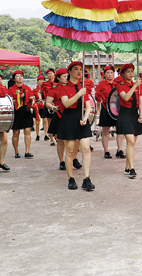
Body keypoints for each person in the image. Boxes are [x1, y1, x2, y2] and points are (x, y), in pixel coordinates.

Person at [58, 61, 94, 191]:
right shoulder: (63, 88)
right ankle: (71, 178)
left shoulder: (82, 87)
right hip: (69, 119)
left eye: (80, 69)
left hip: (81, 118)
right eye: (76, 69)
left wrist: (86, 117)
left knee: (86, 148)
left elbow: (88, 106)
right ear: (69, 71)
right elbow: (66, 104)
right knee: (70, 151)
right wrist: (79, 94)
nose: (79, 71)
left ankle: (87, 178)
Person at [46, 68, 80, 171]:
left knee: (76, 138)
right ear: (58, 78)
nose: (66, 78)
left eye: (67, 76)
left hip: (73, 114)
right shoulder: (54, 89)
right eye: (64, 76)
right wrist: (53, 107)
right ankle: (62, 161)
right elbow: (48, 103)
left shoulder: (73, 87)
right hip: (60, 114)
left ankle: (74, 158)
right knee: (60, 140)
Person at [116, 63, 142, 179]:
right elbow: (126, 97)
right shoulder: (120, 86)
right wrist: (135, 86)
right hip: (125, 114)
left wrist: (141, 115)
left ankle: (127, 167)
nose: (131, 73)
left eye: (132, 71)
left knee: (132, 143)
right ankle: (132, 168)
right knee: (130, 141)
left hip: (134, 114)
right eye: (128, 71)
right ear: (122, 74)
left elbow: (141, 101)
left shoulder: (137, 85)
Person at [95, 65, 124, 159]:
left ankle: (119, 150)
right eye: (108, 73)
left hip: (117, 109)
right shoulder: (101, 85)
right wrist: (99, 98)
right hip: (106, 108)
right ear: (104, 74)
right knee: (105, 131)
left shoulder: (117, 84)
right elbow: (97, 96)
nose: (110, 74)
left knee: (119, 130)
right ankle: (106, 151)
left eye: (111, 73)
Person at [8, 70, 34, 158]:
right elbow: (10, 101)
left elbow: (31, 98)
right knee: (16, 133)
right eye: (17, 76)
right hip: (16, 111)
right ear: (14, 79)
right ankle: (16, 151)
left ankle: (27, 151)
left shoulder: (27, 88)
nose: (20, 78)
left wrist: (30, 100)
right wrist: (19, 98)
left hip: (26, 110)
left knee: (27, 131)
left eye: (21, 76)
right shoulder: (11, 89)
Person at [41, 68, 56, 141]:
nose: (50, 75)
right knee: (49, 121)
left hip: (56, 103)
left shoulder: (58, 83)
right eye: (48, 73)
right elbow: (39, 92)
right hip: (48, 103)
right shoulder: (45, 84)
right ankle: (51, 139)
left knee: (56, 120)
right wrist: (40, 98)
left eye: (51, 73)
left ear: (54, 74)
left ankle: (56, 136)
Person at [32, 75, 45, 141]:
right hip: (37, 106)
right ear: (37, 81)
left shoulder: (46, 88)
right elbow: (33, 97)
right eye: (40, 80)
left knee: (46, 120)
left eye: (43, 80)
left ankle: (46, 134)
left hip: (44, 105)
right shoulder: (35, 89)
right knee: (37, 120)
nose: (41, 81)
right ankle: (37, 134)